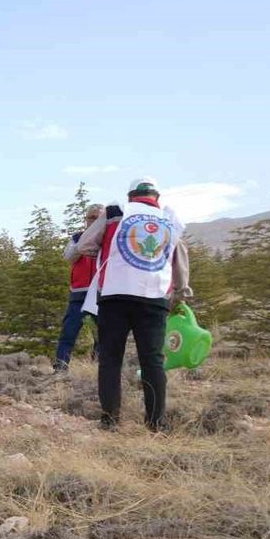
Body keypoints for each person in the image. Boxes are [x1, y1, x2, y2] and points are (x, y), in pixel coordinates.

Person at [77, 178, 192, 432]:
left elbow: (84, 244)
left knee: (110, 359)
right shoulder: (169, 219)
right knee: (152, 361)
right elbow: (179, 261)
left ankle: (110, 419)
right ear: (156, 197)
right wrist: (181, 294)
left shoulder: (115, 213)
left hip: (114, 295)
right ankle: (156, 423)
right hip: (154, 297)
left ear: (130, 196)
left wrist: (108, 251)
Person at [56, 203, 104, 371]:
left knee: (103, 334)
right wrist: (83, 244)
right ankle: (61, 367)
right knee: (69, 332)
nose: (94, 221)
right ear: (85, 220)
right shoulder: (77, 237)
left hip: (101, 294)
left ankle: (99, 367)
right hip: (79, 294)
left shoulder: (109, 239)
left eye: (98, 218)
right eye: (91, 217)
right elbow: (68, 257)